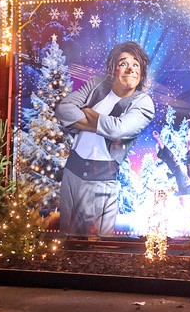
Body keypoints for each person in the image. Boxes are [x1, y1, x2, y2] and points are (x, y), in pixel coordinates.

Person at [55, 41, 156, 236]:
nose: (130, 69)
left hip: (100, 180)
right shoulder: (98, 84)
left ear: (142, 73)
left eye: (136, 65)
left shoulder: (142, 103)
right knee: (67, 242)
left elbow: (118, 130)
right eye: (123, 63)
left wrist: (87, 115)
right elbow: (63, 109)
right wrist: (100, 125)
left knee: (97, 245)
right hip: (72, 173)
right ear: (113, 68)